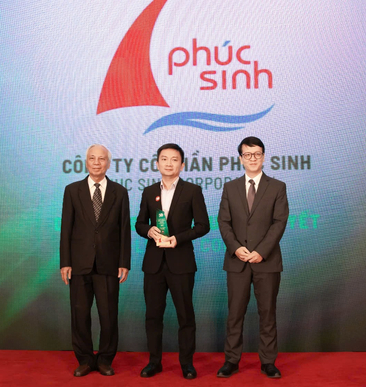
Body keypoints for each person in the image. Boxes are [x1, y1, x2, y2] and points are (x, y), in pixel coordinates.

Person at [135, 143, 210, 379]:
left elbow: (203, 226)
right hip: (154, 264)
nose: (169, 163)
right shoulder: (148, 192)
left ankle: (186, 363)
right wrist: (149, 231)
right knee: (153, 316)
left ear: (182, 164)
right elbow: (138, 223)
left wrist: (177, 238)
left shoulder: (192, 191)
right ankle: (154, 362)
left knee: (185, 316)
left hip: (181, 263)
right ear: (157, 164)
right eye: (164, 159)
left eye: (174, 159)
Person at [217, 136, 289, 379]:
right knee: (234, 313)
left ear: (264, 156)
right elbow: (224, 222)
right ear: (240, 158)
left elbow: (279, 222)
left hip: (266, 262)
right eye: (247, 154)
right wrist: (236, 248)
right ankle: (231, 361)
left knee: (267, 314)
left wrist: (262, 251)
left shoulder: (277, 187)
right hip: (237, 261)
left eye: (257, 154)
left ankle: (268, 362)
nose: (252, 158)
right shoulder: (230, 187)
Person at [59, 144, 131, 377]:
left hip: (109, 264)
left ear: (109, 163)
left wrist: (124, 261)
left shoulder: (119, 192)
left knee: (108, 315)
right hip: (79, 263)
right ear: (86, 162)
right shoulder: (72, 190)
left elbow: (124, 231)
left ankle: (105, 359)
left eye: (102, 159)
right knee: (80, 314)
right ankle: (85, 359)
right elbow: (66, 229)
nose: (97, 162)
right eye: (92, 158)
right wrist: (65, 262)